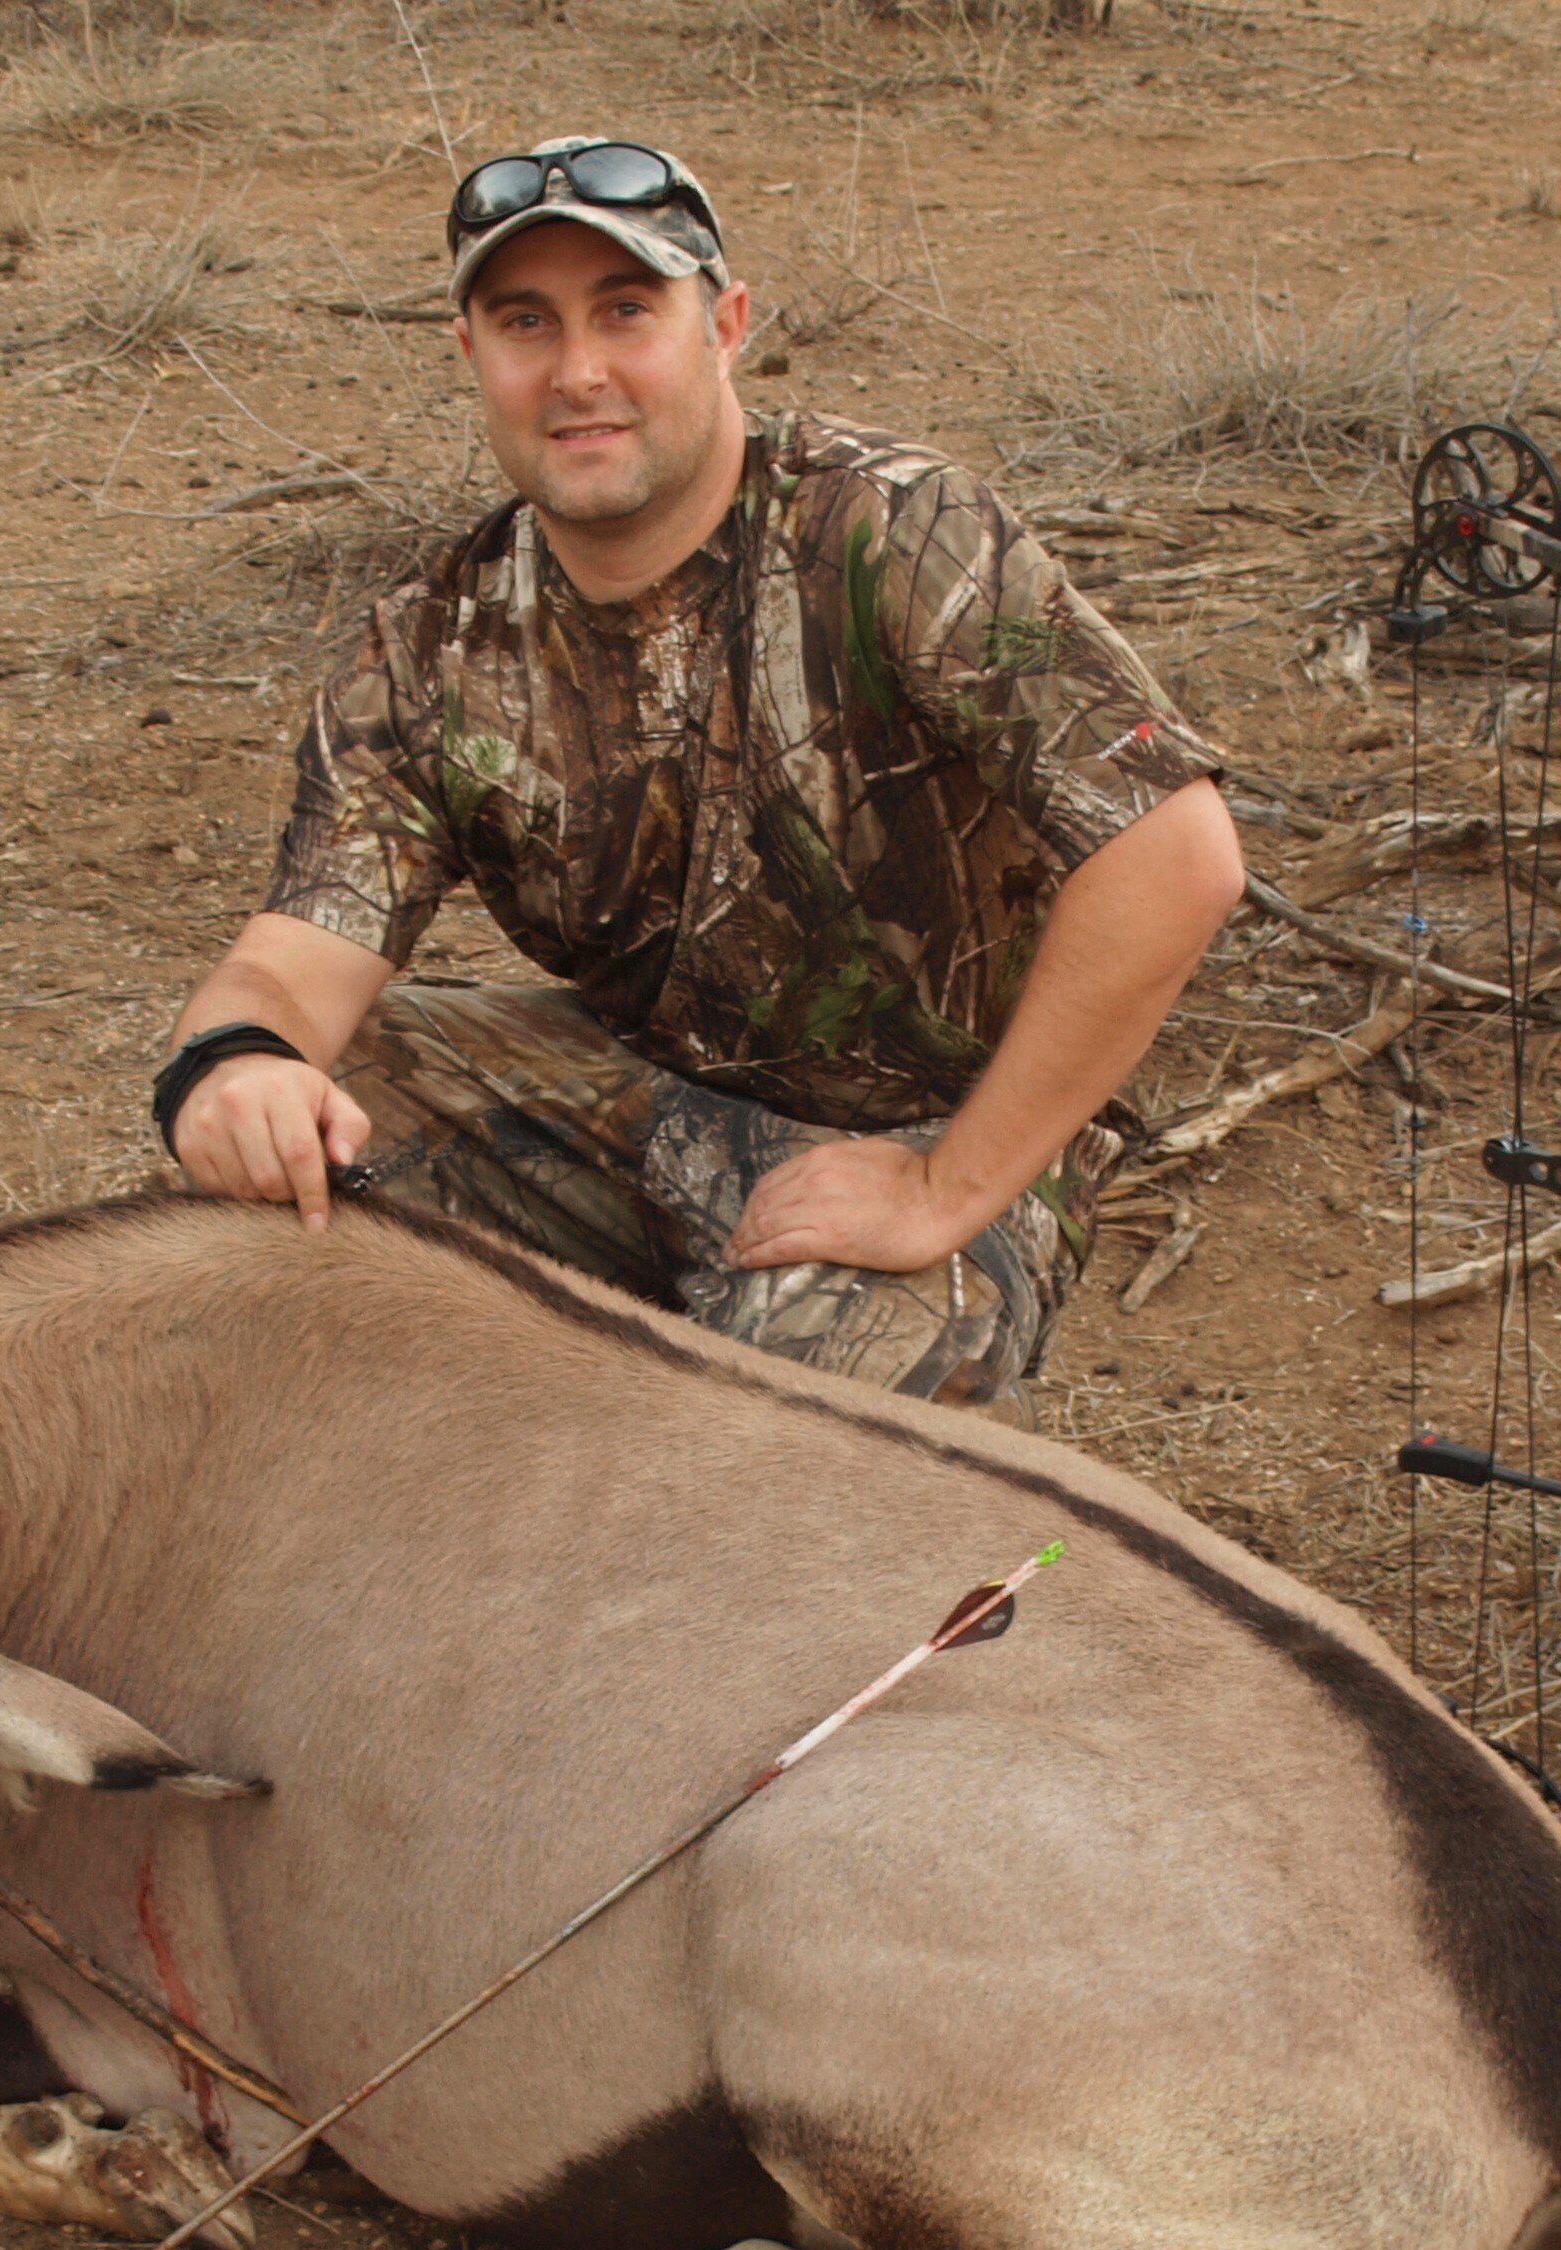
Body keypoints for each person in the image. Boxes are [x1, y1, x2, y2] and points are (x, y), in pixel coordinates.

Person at [151, 136, 1243, 1415]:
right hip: (642, 1103)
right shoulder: (431, 640)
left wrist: (949, 1184)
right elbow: (286, 966)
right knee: (308, 1123)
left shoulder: (896, 531)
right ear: (472, 357)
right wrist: (236, 1076)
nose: (578, 373)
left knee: (789, 1442)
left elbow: (1178, 860)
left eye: (627, 311)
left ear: (725, 324)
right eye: (525, 323)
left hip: (928, 1131)